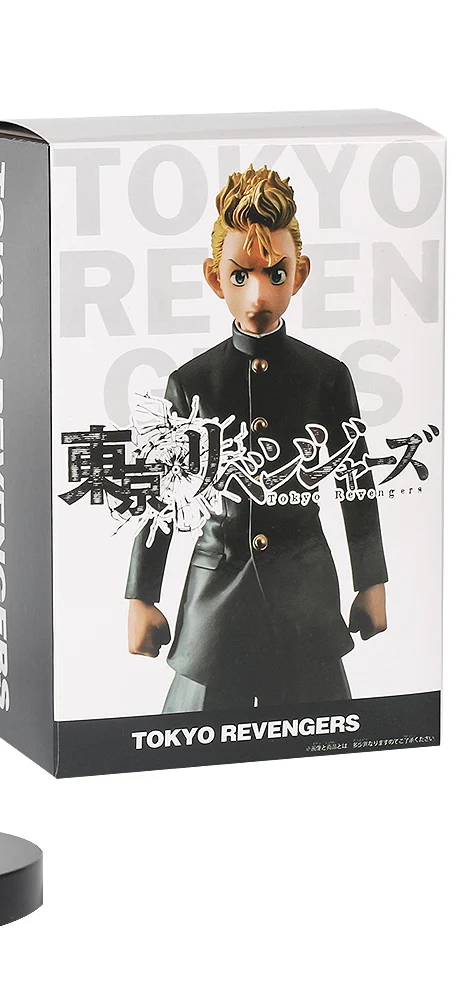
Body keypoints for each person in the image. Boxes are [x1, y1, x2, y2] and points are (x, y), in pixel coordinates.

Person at [125, 166, 387, 712]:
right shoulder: (191, 383)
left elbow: (357, 486)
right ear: (214, 277)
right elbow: (160, 500)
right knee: (189, 737)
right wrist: (141, 596)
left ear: (300, 274)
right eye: (241, 276)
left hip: (305, 598)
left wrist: (372, 582)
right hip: (214, 603)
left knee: (322, 732)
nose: (259, 295)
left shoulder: (327, 378)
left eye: (276, 273)